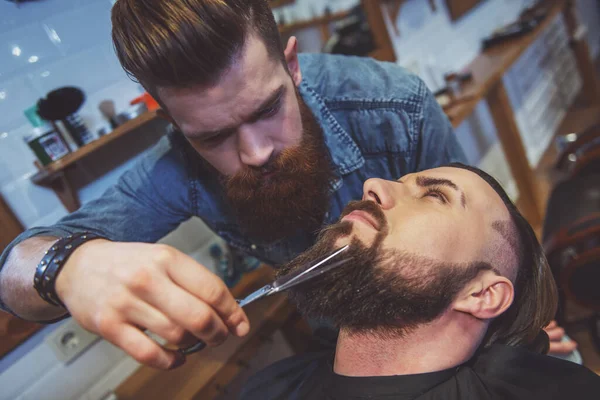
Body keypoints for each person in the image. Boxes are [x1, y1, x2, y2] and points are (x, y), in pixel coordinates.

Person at [0, 0, 573, 371]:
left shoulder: (394, 107)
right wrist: (69, 269)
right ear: (173, 124)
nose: (256, 153)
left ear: (292, 66)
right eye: (213, 136)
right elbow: (14, 271)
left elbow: (487, 239)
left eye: (269, 107)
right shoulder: (176, 172)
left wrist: (522, 332)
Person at [241, 164, 600, 400]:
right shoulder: (272, 386)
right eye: (399, 183)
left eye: (435, 195)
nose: (372, 186)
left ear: (482, 293)